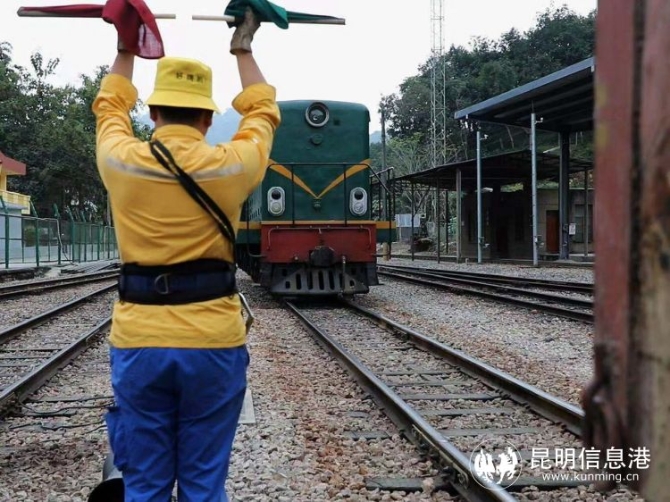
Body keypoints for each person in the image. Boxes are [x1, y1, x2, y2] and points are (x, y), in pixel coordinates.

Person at [91, 7, 280, 502]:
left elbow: (109, 107)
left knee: (144, 484)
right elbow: (262, 112)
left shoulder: (120, 160)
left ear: (153, 113)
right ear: (208, 117)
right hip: (213, 342)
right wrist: (243, 47)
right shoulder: (232, 165)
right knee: (203, 484)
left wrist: (126, 45)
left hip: (139, 341)